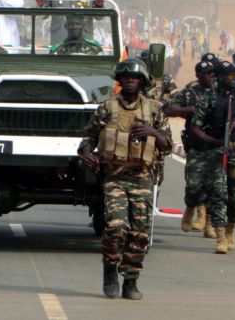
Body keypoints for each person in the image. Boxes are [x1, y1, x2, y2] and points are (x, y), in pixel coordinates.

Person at [78, 59, 172, 300]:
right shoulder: (107, 108)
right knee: (117, 226)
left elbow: (168, 146)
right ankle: (110, 269)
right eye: (126, 76)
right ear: (120, 80)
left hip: (142, 177)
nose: (131, 80)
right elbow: (87, 139)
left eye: (135, 77)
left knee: (140, 232)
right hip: (114, 177)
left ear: (142, 81)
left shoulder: (154, 110)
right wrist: (88, 154)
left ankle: (131, 279)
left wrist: (153, 133)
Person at [190, 60, 235, 252]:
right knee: (217, 194)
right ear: (220, 78)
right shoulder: (208, 97)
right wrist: (213, 141)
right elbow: (195, 127)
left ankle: (231, 228)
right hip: (215, 151)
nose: (234, 79)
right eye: (230, 76)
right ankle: (220, 237)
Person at [164, 61, 216, 235]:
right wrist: (194, 109)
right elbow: (170, 109)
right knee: (193, 185)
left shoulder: (221, 93)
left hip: (216, 145)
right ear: (199, 76)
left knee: (215, 187)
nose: (211, 76)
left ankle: (208, 222)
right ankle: (191, 207)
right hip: (196, 146)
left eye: (213, 73)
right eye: (207, 73)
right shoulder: (190, 93)